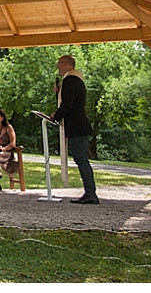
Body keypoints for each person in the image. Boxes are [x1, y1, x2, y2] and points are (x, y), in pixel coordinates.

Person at [54, 54, 97, 204]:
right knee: (81, 159)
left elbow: (67, 104)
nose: (58, 67)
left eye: (59, 63)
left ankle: (91, 192)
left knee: (81, 159)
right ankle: (90, 192)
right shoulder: (76, 80)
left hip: (76, 125)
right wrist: (58, 93)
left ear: (66, 63)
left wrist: (56, 116)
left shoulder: (70, 80)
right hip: (78, 124)